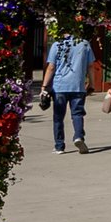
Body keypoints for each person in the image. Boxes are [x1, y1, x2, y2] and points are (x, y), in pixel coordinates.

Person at [43, 27, 98, 155]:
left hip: (60, 86)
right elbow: (90, 66)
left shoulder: (57, 45)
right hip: (78, 86)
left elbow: (51, 67)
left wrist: (44, 87)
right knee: (77, 114)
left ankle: (59, 146)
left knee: (58, 117)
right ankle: (78, 136)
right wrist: (91, 83)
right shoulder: (84, 44)